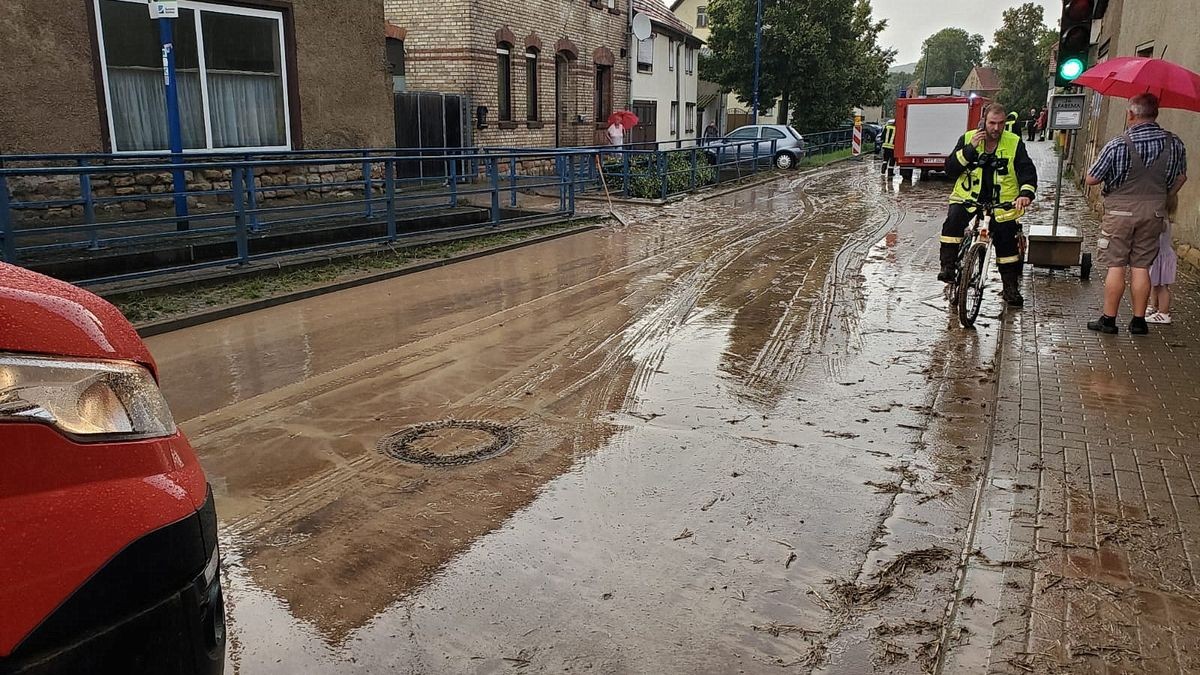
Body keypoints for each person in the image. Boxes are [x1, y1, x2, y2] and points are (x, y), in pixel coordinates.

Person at [1085, 93, 1188, 335]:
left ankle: (1109, 320)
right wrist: (1164, 195)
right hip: (1154, 212)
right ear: (1156, 114)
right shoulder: (1175, 143)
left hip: (1119, 212)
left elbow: (1092, 178)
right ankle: (1139, 321)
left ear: (1131, 114)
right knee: (1142, 265)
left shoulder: (1119, 143)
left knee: (1116, 265)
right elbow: (1182, 176)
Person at [939, 103, 1037, 307]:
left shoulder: (1014, 142)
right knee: (953, 222)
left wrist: (1026, 193)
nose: (996, 128)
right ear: (984, 121)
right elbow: (950, 169)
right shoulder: (968, 138)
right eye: (992, 123)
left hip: (1001, 204)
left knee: (1006, 241)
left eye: (1001, 124)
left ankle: (1010, 288)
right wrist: (969, 149)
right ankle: (948, 268)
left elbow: (1027, 171)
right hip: (968, 197)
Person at [1146, 217, 1178, 324]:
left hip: (1161, 257)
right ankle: (1154, 306)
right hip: (1159, 256)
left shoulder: (1162, 221)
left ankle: (1164, 313)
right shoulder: (1163, 219)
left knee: (1162, 286)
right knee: (1156, 283)